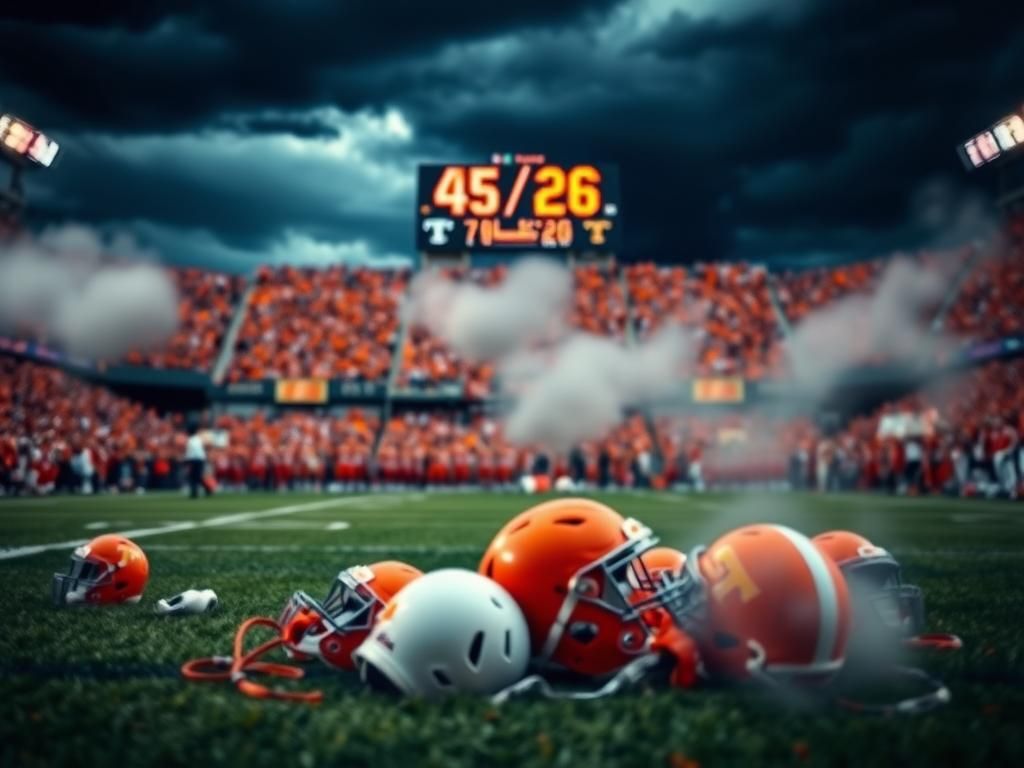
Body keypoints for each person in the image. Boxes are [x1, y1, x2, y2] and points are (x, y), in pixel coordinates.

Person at [184, 426, 210, 499]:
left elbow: (190, 452)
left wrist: (186, 460)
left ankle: (195, 492)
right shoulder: (198, 439)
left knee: (193, 477)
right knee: (197, 477)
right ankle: (205, 489)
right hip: (200, 459)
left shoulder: (191, 440)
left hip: (194, 460)